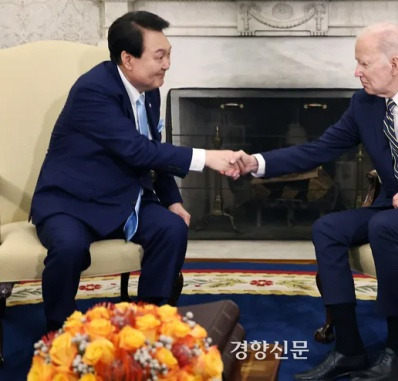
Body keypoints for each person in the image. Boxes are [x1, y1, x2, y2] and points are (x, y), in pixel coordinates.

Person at [231, 23, 398, 380]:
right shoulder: (364, 104)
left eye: (363, 63)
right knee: (327, 228)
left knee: (383, 226)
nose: (356, 72)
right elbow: (318, 150)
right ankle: (348, 348)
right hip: (396, 207)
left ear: (393, 63)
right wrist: (256, 163)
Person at [30, 11, 240, 332]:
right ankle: (59, 329)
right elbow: (137, 150)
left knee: (171, 229)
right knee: (68, 248)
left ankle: (150, 323)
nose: (167, 64)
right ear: (128, 59)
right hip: (70, 203)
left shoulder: (150, 89)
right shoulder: (93, 91)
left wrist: (172, 200)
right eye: (160, 56)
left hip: (124, 198)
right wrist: (206, 157)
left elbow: (154, 147)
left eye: (169, 54)